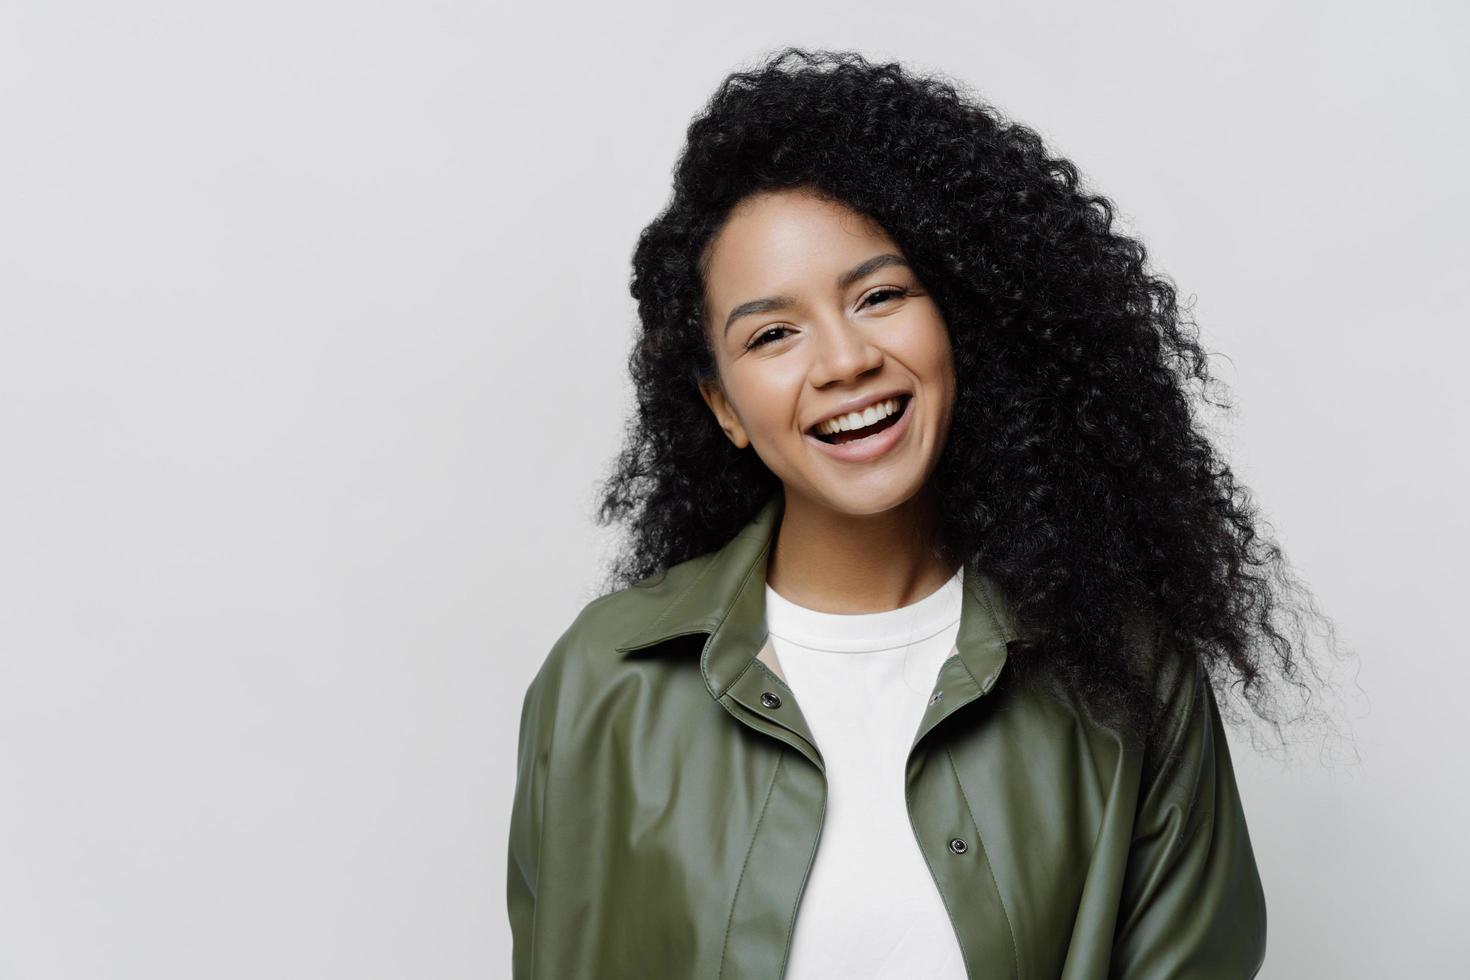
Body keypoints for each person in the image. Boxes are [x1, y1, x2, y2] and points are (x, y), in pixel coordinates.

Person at [509, 46, 1336, 979]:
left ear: (960, 322)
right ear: (723, 406)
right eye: (774, 333)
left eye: (881, 295)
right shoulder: (605, 682)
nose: (843, 360)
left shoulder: (1130, 678)